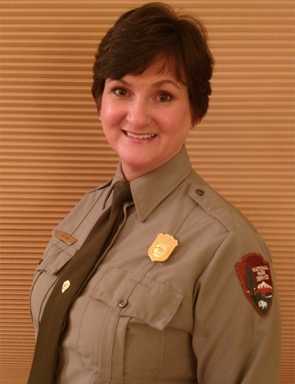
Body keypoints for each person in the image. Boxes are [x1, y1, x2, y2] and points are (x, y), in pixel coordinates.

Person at [29, 2, 281, 383]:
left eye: (163, 95)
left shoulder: (225, 245)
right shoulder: (87, 211)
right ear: (100, 102)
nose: (137, 116)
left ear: (195, 111)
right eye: (121, 91)